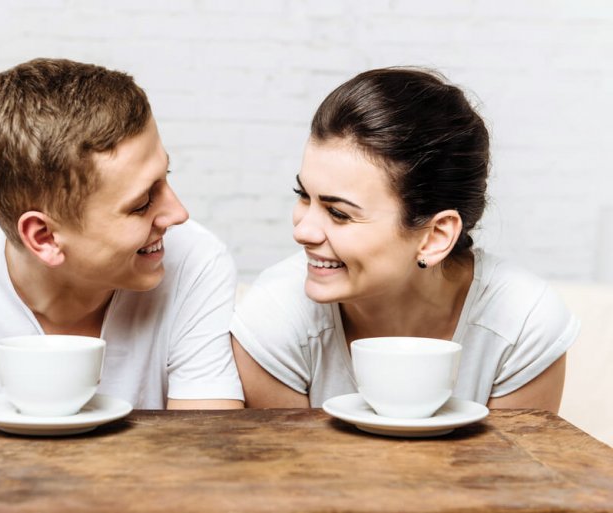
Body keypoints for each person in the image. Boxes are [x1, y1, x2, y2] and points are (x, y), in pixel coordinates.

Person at [0, 58, 244, 410]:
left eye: (167, 176)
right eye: (141, 203)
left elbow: (204, 456)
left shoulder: (196, 261)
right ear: (44, 238)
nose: (178, 213)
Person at [230, 67, 579, 412]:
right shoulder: (273, 318)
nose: (302, 231)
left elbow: (511, 468)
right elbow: (289, 468)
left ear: (435, 236)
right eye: (303, 195)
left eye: (339, 213)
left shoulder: (522, 323)